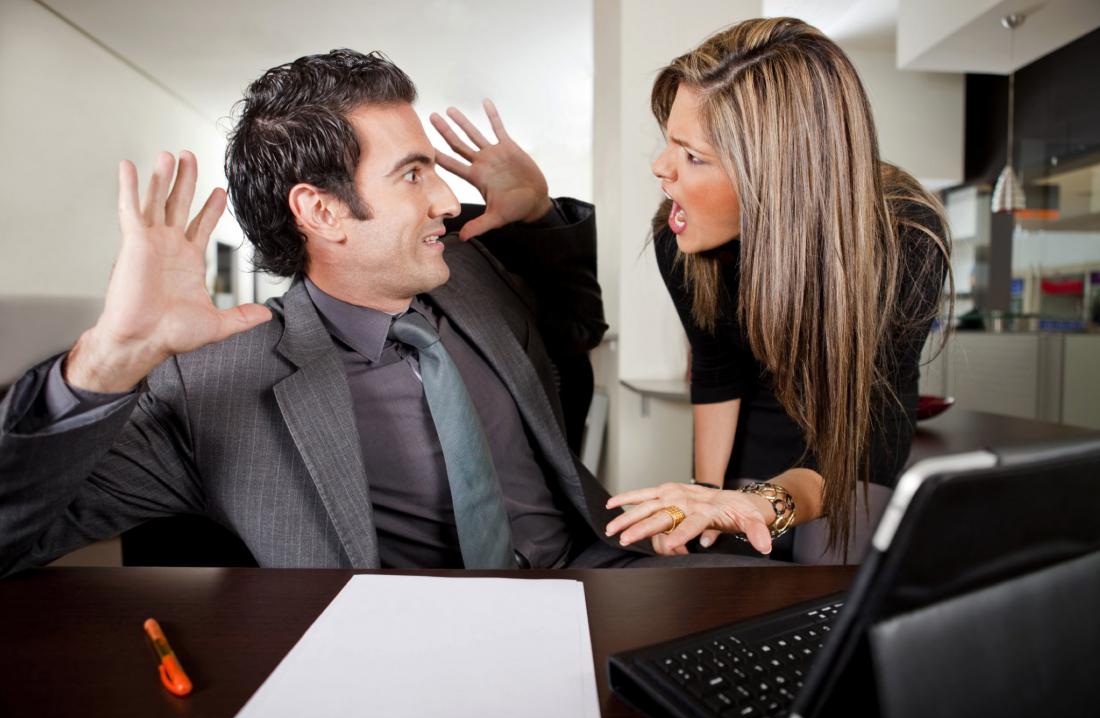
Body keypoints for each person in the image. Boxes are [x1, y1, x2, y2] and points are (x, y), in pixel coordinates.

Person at [0, 49, 769, 576]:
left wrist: (537, 214)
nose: (447, 198)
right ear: (322, 212)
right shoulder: (210, 386)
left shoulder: (469, 271)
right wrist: (109, 358)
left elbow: (577, 327)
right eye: (413, 174)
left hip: (596, 574)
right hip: (407, 647)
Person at [605, 18, 951, 560]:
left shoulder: (904, 239)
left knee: (831, 574)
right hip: (756, 426)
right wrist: (705, 502)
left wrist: (765, 505)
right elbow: (717, 370)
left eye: (693, 156)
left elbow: (872, 441)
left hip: (854, 438)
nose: (660, 168)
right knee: (727, 567)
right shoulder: (679, 236)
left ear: (775, 178)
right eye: (669, 142)